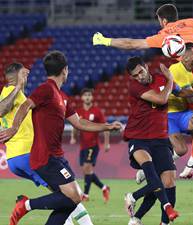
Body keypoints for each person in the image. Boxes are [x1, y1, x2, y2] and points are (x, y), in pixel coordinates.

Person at [92, 3, 193, 177]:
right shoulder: (192, 22)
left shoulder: (165, 35)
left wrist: (104, 40)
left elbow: (131, 44)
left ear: (163, 20)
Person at [0, 51, 122, 225]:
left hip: (53, 156)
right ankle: (26, 204)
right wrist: (14, 128)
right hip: (39, 155)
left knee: (68, 198)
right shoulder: (44, 89)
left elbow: (79, 123)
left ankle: (31, 207)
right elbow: (25, 106)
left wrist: (107, 126)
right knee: (72, 195)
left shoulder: (62, 97)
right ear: (65, 70)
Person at [123, 57, 178, 225]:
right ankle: (165, 208)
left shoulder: (161, 79)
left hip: (160, 139)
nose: (139, 76)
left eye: (141, 71)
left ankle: (137, 214)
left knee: (168, 182)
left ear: (146, 67)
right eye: (135, 75)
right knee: (154, 177)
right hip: (138, 138)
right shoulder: (135, 87)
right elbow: (162, 99)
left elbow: (178, 91)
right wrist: (171, 79)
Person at [70, 88, 111, 202]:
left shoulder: (97, 111)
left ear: (92, 97)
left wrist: (107, 143)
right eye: (85, 95)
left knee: (87, 168)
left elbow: (105, 127)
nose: (87, 97)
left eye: (89, 95)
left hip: (93, 145)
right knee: (86, 171)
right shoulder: (78, 112)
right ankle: (104, 188)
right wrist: (73, 137)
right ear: (82, 98)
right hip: (83, 145)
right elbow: (75, 125)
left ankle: (86, 195)